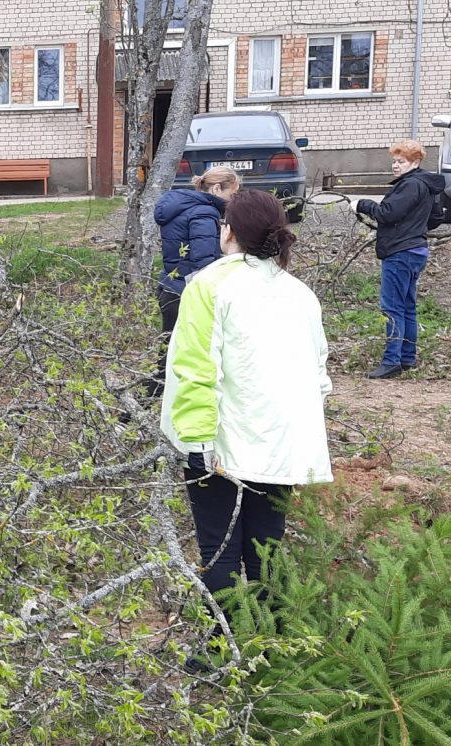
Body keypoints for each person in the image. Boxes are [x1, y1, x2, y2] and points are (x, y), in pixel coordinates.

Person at [161, 189, 332, 647]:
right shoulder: (300, 293)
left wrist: (197, 442)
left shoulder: (209, 285)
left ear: (230, 232)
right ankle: (269, 642)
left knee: (219, 548)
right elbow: (318, 372)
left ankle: (222, 648)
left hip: (220, 443)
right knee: (266, 546)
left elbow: (196, 368)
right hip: (281, 442)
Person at [354, 139, 445, 379]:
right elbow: (435, 218)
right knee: (407, 307)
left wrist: (362, 204)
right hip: (416, 251)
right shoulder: (427, 184)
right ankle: (407, 358)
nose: (395, 166)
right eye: (394, 161)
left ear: (415, 162)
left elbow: (387, 213)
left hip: (400, 253)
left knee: (392, 307)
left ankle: (391, 361)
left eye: (401, 161)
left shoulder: (411, 184)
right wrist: (413, 227)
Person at [148, 166, 241, 396]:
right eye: (232, 194)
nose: (232, 200)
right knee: (180, 356)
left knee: (169, 350)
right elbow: (204, 263)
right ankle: (143, 404)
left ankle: (147, 401)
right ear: (217, 188)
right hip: (186, 292)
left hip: (170, 286)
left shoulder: (182, 206)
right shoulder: (204, 213)